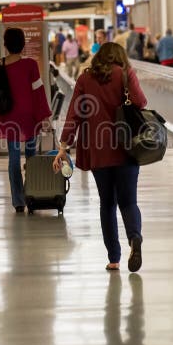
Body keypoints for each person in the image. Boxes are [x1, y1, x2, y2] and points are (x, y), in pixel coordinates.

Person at [52, 43, 147, 273]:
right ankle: (134, 237)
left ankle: (114, 258)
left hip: (98, 151)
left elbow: (74, 113)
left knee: (107, 204)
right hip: (126, 148)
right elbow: (141, 102)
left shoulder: (86, 79)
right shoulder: (125, 73)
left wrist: (63, 146)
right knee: (128, 201)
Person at [0, 27, 52, 213]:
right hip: (29, 118)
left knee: (13, 159)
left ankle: (18, 201)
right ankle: (32, 194)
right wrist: (44, 117)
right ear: (23, 44)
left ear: (5, 44)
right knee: (32, 157)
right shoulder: (30, 65)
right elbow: (38, 92)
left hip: (9, 118)